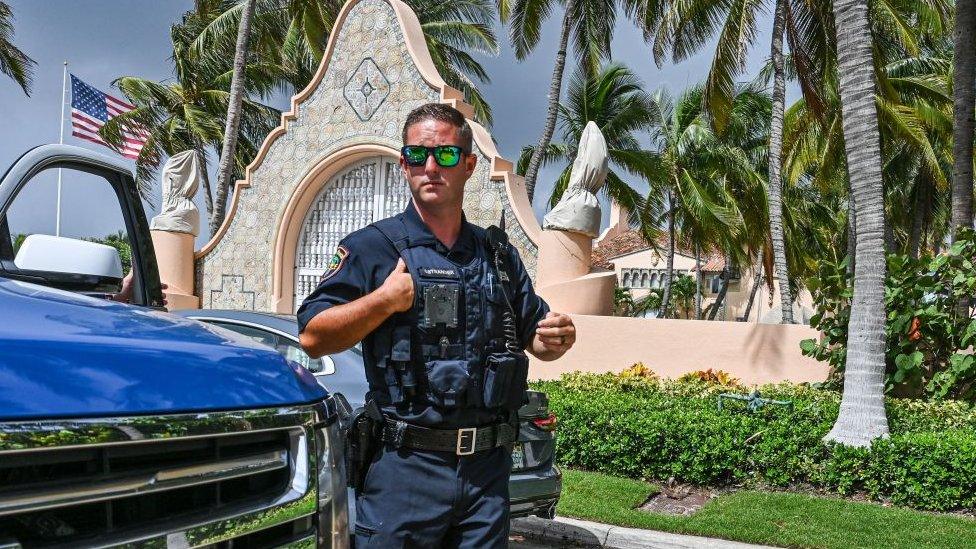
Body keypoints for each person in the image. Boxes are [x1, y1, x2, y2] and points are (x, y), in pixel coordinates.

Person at [298, 102, 576, 548]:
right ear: (404, 164)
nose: (430, 167)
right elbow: (313, 336)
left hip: (486, 475)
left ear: (468, 165)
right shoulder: (374, 247)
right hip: (406, 469)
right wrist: (383, 301)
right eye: (416, 155)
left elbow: (537, 337)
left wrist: (556, 337)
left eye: (445, 156)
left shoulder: (498, 257)